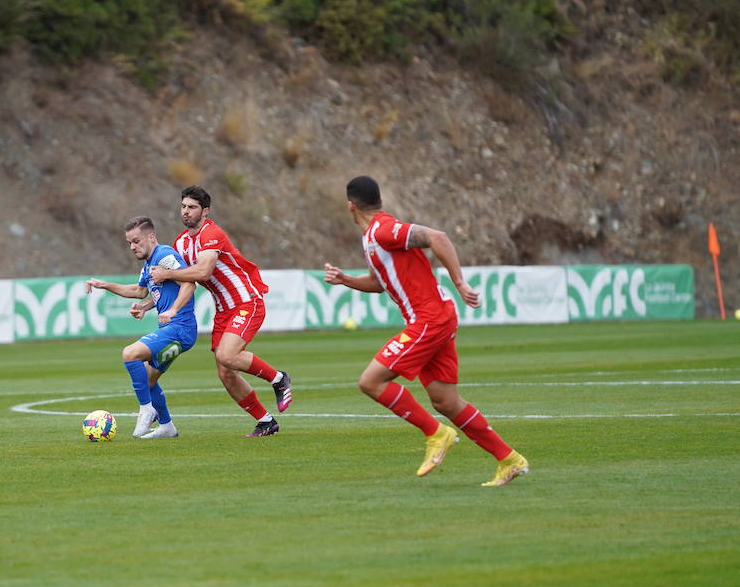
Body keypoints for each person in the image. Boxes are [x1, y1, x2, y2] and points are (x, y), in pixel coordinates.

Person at [323, 175, 528, 486]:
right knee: (445, 400)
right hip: (436, 317)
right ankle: (509, 459)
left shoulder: (384, 229)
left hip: (428, 318)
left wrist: (459, 283)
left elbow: (438, 237)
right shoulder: (372, 238)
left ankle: (436, 433)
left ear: (350, 206)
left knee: (371, 381)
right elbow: (380, 283)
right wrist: (346, 280)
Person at [149, 185, 292, 437]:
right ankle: (266, 421)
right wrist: (149, 303)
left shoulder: (211, 233)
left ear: (205, 211)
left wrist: (167, 273)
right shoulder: (181, 243)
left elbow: (202, 271)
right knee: (226, 372)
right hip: (224, 310)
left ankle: (279, 378)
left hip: (247, 301)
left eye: (192, 207)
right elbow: (184, 282)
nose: (186, 211)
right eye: (183, 206)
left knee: (227, 355)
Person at [85, 216, 197, 439]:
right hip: (175, 329)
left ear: (151, 236)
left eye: (136, 241)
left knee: (130, 354)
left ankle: (147, 408)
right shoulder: (148, 264)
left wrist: (173, 310)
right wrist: (104, 285)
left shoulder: (164, 255)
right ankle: (166, 426)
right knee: (148, 379)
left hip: (180, 327)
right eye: (129, 243)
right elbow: (139, 291)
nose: (133, 247)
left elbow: (189, 283)